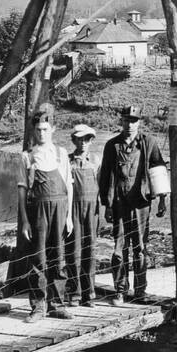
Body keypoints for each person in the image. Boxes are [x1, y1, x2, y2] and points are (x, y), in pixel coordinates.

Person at [98, 104, 167, 304]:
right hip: (119, 204)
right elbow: (105, 177)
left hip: (141, 205)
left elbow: (159, 169)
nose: (130, 124)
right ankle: (120, 290)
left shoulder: (149, 143)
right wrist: (107, 205)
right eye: (127, 120)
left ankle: (140, 292)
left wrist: (162, 199)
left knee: (140, 248)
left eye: (134, 120)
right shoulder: (112, 145)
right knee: (119, 250)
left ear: (139, 122)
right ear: (122, 121)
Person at [17, 108, 73, 322]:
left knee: (58, 257)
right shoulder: (27, 156)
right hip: (37, 211)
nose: (41, 133)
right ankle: (38, 306)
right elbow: (22, 190)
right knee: (38, 259)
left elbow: (69, 185)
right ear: (33, 130)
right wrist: (24, 220)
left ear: (53, 130)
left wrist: (68, 217)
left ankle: (57, 304)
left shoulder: (61, 154)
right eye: (38, 129)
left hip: (59, 209)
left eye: (45, 129)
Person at [64, 124, 100, 306]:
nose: (84, 143)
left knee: (90, 251)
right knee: (73, 251)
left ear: (91, 141)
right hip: (73, 209)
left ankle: (89, 293)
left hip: (91, 210)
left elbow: (101, 185)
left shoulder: (95, 160)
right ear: (74, 140)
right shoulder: (67, 161)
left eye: (87, 139)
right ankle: (74, 293)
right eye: (80, 139)